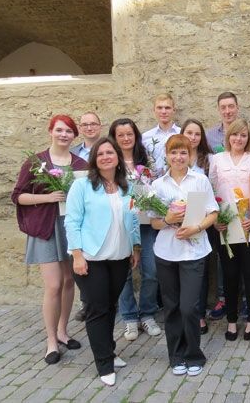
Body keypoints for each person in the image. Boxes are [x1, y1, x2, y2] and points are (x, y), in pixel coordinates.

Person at [11, 115, 88, 365]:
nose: (63, 134)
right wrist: (47, 198)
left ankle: (64, 331)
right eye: (59, 130)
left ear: (74, 136)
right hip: (46, 228)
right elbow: (18, 196)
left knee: (68, 282)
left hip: (71, 229)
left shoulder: (80, 164)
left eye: (68, 131)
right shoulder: (36, 162)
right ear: (51, 132)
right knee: (53, 285)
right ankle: (51, 340)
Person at [65, 138, 141, 386]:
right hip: (91, 259)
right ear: (94, 159)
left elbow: (133, 219)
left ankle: (109, 350)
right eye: (101, 153)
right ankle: (104, 364)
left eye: (110, 152)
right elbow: (72, 222)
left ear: (118, 157)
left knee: (111, 306)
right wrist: (76, 254)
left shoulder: (125, 186)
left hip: (119, 257)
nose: (106, 156)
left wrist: (136, 246)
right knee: (97, 310)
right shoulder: (82, 186)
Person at [150, 135, 218, 375]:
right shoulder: (158, 185)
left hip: (194, 250)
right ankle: (176, 355)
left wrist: (197, 227)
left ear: (190, 155)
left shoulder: (199, 181)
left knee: (189, 307)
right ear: (167, 155)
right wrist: (167, 219)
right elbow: (154, 223)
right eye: (173, 153)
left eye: (183, 153)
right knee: (171, 307)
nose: (178, 158)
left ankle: (194, 354)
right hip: (166, 252)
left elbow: (212, 213)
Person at [206, 91, 250, 320]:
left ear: (248, 138)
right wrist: (216, 218)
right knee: (229, 273)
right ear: (228, 137)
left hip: (249, 223)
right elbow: (210, 190)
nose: (238, 139)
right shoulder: (217, 160)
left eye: (243, 136)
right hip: (226, 224)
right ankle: (231, 319)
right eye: (234, 135)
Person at [109, 118, 162, 341]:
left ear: (136, 135)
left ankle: (147, 313)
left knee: (151, 270)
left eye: (129, 134)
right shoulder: (110, 160)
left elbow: (156, 185)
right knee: (124, 272)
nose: (125, 138)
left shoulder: (146, 158)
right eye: (120, 135)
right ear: (114, 137)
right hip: (121, 224)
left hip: (146, 223)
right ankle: (130, 317)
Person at [181, 118, 214, 334]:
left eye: (197, 134)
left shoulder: (207, 160)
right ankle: (182, 312)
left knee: (200, 268)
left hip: (203, 221)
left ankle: (199, 314)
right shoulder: (175, 157)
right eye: (189, 133)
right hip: (178, 220)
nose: (193, 138)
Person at [70, 111, 104, 322]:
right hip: (82, 210)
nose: (89, 128)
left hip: (103, 208)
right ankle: (88, 302)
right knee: (84, 259)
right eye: (85, 125)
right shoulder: (73, 154)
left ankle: (103, 301)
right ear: (80, 129)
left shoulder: (106, 150)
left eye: (93, 124)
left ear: (100, 126)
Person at [142, 93, 181, 178]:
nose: (163, 111)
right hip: (154, 184)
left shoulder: (182, 134)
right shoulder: (145, 137)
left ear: (173, 110)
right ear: (154, 110)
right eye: (159, 108)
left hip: (179, 182)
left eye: (167, 108)